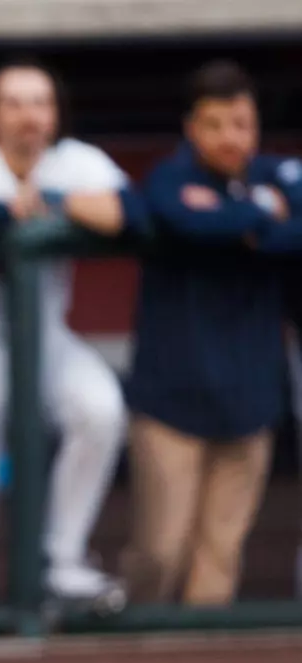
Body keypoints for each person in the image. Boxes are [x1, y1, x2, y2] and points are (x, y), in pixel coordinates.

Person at [0, 60, 139, 615]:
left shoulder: (75, 161)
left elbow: (133, 212)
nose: (29, 116)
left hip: (43, 336)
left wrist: (51, 203)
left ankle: (60, 560)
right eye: (14, 103)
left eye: (40, 102)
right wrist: (10, 208)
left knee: (100, 410)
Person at [122, 61, 302, 605]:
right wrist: (258, 215)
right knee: (161, 551)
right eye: (216, 123)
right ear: (191, 128)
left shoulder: (276, 174)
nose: (230, 137)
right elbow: (185, 219)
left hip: (250, 399)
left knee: (220, 556)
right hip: (172, 401)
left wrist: (246, 216)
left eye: (241, 123)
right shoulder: (171, 176)